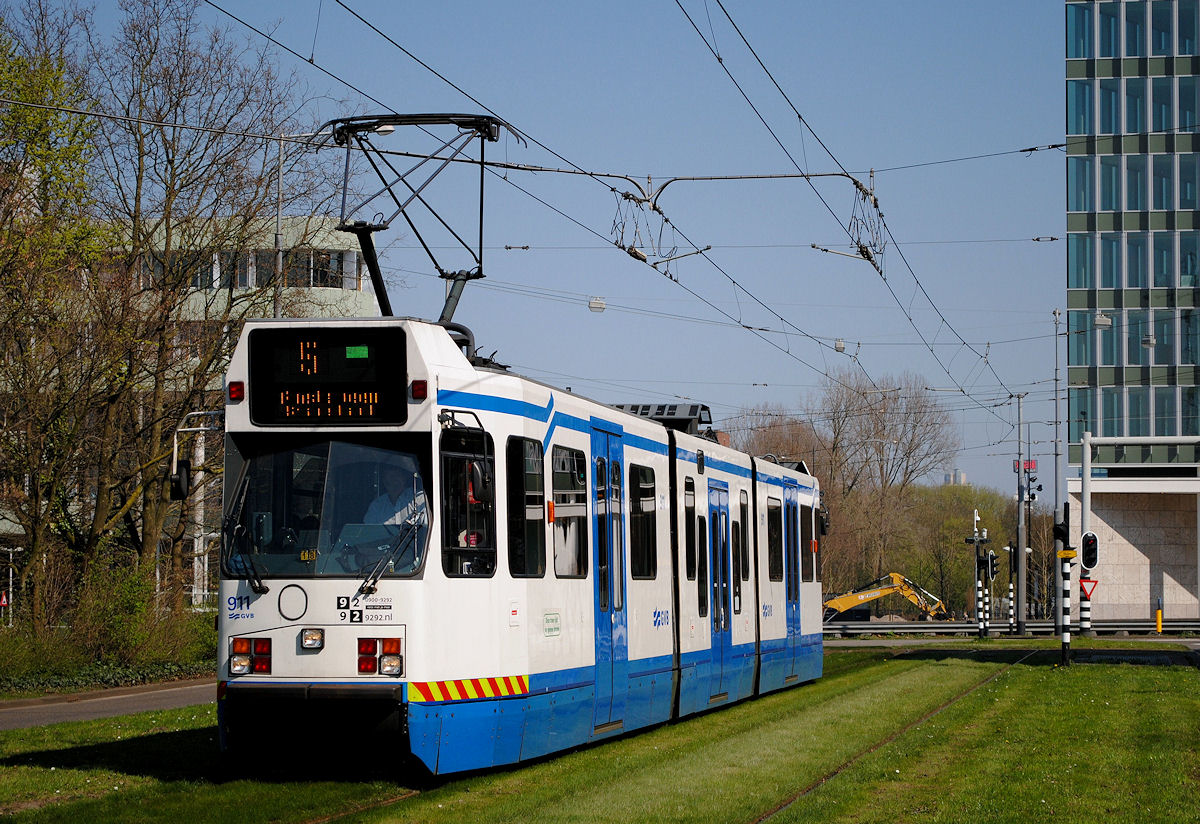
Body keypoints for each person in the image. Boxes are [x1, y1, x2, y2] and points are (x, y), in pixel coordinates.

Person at [363, 461, 425, 525]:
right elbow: (368, 530)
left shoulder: (418, 499)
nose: (394, 480)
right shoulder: (377, 505)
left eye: (397, 475)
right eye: (390, 476)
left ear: (404, 478)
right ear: (384, 481)